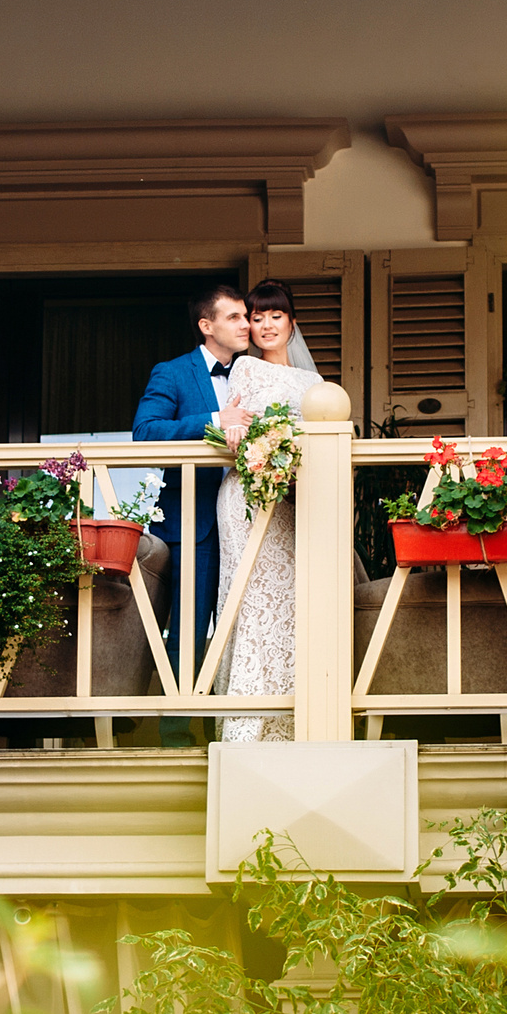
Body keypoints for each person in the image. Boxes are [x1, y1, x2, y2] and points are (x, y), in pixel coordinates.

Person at [210, 280, 320, 742]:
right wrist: (237, 436)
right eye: (256, 318)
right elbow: (239, 427)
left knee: (292, 602)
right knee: (251, 597)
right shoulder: (245, 369)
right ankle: (245, 724)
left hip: (293, 502)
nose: (266, 325)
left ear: (291, 322)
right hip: (248, 498)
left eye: (275, 315)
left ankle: (292, 720)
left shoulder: (314, 384)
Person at [132, 283, 253, 679]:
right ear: (206, 325)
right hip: (194, 523)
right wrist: (216, 422)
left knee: (244, 630)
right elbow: (146, 431)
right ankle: (178, 732)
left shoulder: (255, 375)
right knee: (189, 628)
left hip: (249, 522)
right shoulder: (173, 372)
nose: (246, 324)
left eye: (245, 316)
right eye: (234, 317)